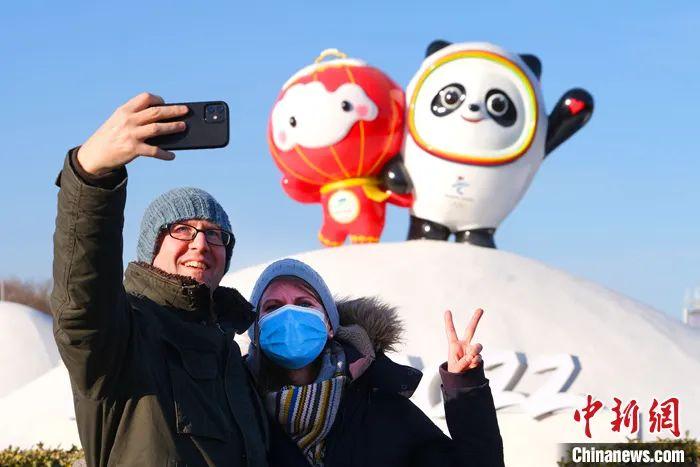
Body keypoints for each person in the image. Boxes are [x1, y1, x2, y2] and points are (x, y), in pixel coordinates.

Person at [51, 92, 268, 466]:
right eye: (182, 229)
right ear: (152, 247)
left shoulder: (232, 354)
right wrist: (90, 177)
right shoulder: (125, 335)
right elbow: (81, 306)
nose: (201, 244)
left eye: (215, 234)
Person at [246, 258, 504, 467]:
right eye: (273, 307)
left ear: (329, 325)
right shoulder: (232, 403)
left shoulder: (381, 409)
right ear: (255, 329)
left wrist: (465, 387)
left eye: (304, 304)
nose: (290, 315)